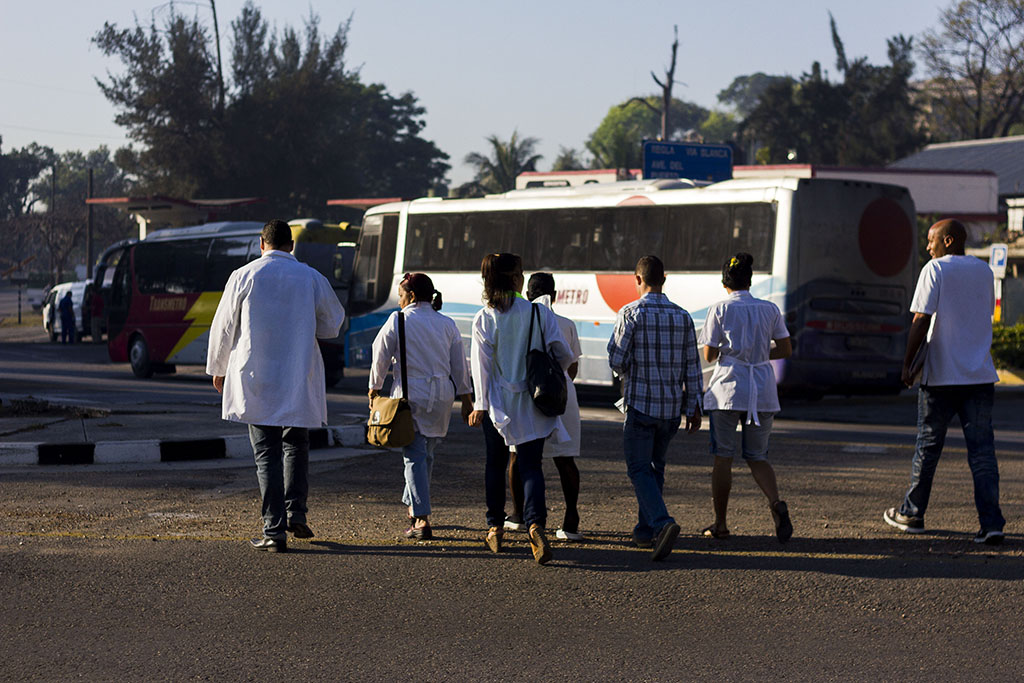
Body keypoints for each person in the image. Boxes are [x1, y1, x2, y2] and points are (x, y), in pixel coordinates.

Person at [206, 219, 345, 553]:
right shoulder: (311, 278)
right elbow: (332, 325)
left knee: (266, 451)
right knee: (296, 444)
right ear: (291, 245)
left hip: (256, 377)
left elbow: (224, 327)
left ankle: (274, 529)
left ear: (261, 243)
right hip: (299, 374)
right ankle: (296, 510)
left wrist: (218, 368)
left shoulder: (244, 276)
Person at [883, 219, 1005, 544]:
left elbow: (920, 320)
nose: (928, 247)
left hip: (941, 377)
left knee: (928, 447)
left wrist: (907, 365)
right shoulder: (984, 272)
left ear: (948, 241)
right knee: (982, 453)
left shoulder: (935, 270)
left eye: (931, 240)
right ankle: (991, 523)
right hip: (979, 375)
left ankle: (912, 513)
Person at [467, 253, 574, 565]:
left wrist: (481, 405)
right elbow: (563, 353)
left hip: (498, 403)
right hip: (533, 402)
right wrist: (556, 373)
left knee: (495, 465)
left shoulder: (485, 317)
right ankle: (535, 524)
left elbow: (481, 368)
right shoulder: (539, 313)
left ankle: (495, 528)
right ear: (516, 279)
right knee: (531, 465)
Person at [607, 255, 703, 561]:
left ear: (638, 279)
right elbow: (693, 367)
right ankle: (645, 530)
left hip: (641, 405)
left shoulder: (631, 313)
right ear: (665, 278)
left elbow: (616, 360)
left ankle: (663, 523)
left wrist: (629, 367)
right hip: (671, 409)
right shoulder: (683, 316)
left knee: (638, 468)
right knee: (655, 468)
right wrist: (694, 407)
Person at [368, 272, 473, 540]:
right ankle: (412, 504)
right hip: (441, 396)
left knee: (413, 455)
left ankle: (421, 518)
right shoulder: (447, 323)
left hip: (410, 394)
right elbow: (460, 365)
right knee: (426, 452)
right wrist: (466, 400)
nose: (400, 301)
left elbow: (379, 353)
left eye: (401, 296)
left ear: (411, 296)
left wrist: (374, 387)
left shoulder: (399, 320)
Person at [698, 253, 793, 543]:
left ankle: (721, 523)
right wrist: (761, 355)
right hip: (762, 389)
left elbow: (710, 355)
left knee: (723, 457)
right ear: (750, 280)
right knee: (757, 456)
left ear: (725, 282)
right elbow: (786, 349)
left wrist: (734, 353)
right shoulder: (770, 309)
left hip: (728, 388)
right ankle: (776, 504)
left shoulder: (719, 309)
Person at [506, 272, 585, 541]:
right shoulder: (566, 323)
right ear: (555, 295)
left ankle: (518, 514)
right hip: (562, 395)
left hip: (528, 393)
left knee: (520, 455)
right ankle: (571, 520)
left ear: (527, 295)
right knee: (565, 459)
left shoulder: (518, 322)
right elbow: (571, 365)